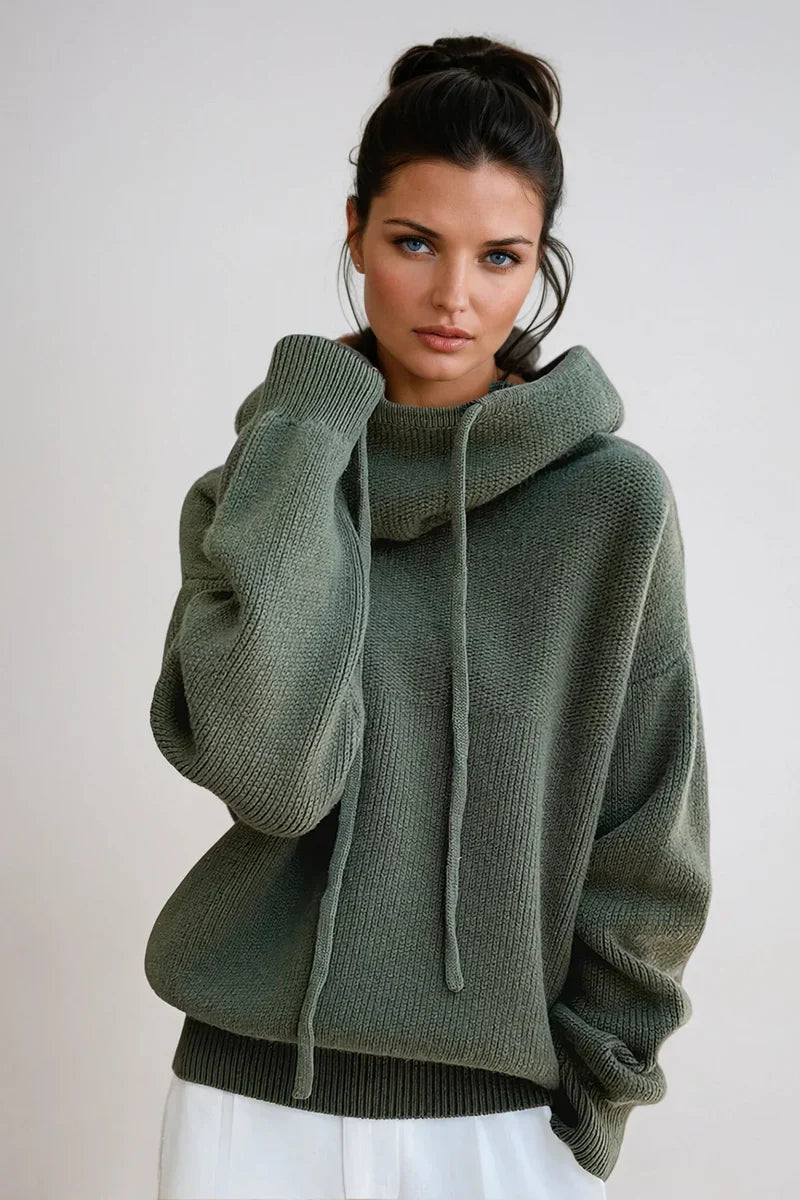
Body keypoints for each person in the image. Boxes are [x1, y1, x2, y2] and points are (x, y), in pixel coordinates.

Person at [146, 33, 712, 1200]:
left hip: (501, 1123)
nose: (456, 298)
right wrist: (308, 422)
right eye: (413, 243)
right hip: (250, 1108)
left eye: (499, 257)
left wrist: (592, 1101)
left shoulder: (610, 506)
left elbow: (648, 832)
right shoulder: (266, 484)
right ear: (354, 231)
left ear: (537, 264)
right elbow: (272, 779)